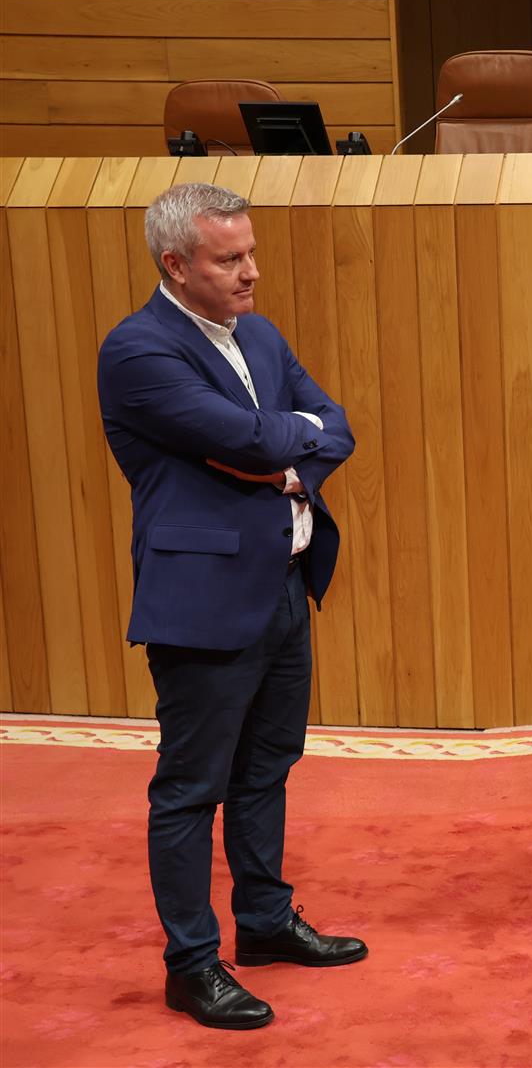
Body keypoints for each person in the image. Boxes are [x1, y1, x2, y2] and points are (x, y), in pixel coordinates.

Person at [97, 182, 364, 1031]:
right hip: (203, 599)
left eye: (250, 252)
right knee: (190, 788)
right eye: (230, 259)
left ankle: (264, 921)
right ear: (176, 265)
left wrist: (288, 456)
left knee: (268, 767)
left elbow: (335, 425)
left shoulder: (262, 334)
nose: (252, 272)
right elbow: (248, 438)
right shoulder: (139, 351)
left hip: (284, 584)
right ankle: (190, 963)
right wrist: (284, 442)